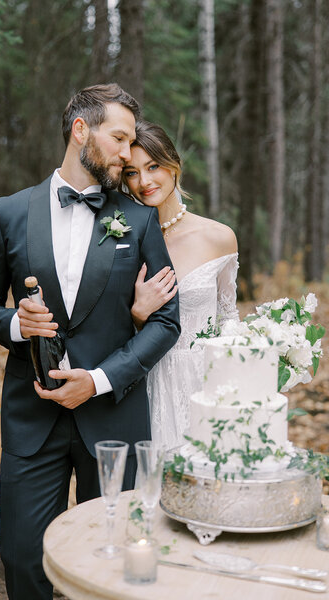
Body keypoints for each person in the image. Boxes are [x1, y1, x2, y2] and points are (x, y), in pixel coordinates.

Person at [0, 85, 180, 600]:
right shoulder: (9, 212)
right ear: (81, 130)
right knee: (21, 555)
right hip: (31, 420)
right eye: (120, 138)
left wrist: (99, 380)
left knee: (112, 560)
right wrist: (18, 325)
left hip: (113, 417)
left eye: (132, 142)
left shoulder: (138, 218)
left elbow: (167, 321)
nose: (128, 155)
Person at [122, 120, 238, 450]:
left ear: (174, 164)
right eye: (131, 172)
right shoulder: (120, 243)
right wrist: (138, 315)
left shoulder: (219, 237)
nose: (143, 181)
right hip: (148, 383)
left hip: (206, 386)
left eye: (153, 166)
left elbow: (228, 317)